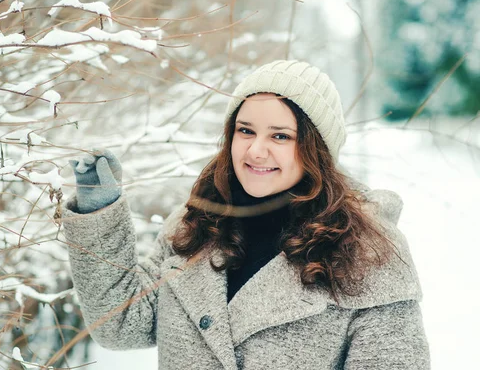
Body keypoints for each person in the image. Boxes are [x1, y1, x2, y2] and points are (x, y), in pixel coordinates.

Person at [62, 60, 430, 369]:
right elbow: (122, 324)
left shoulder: (368, 255)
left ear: (315, 148)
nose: (256, 150)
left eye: (280, 136)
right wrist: (99, 211)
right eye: (245, 130)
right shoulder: (196, 226)